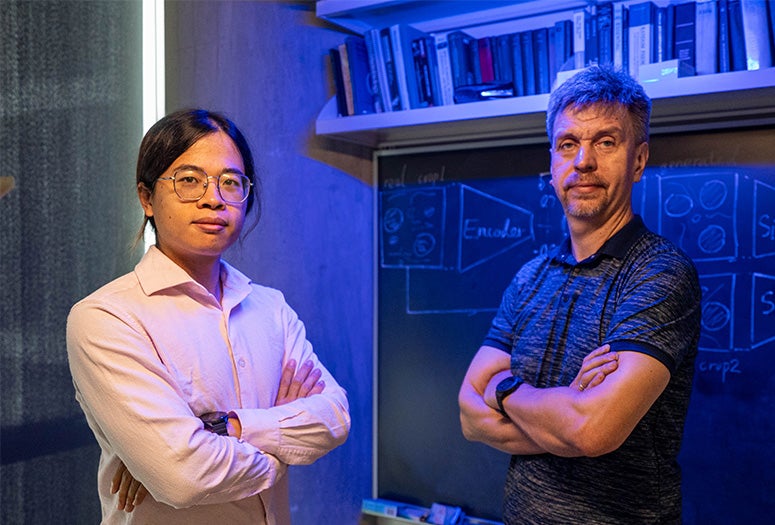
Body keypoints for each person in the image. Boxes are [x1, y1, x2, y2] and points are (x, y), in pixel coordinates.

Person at [66, 108, 350, 524]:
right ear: (147, 197)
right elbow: (184, 476)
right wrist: (283, 451)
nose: (213, 198)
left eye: (230, 182)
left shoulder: (270, 308)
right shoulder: (107, 318)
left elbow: (335, 416)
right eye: (189, 180)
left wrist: (224, 428)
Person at [458, 66, 702, 524]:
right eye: (568, 144)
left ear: (639, 158)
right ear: (552, 162)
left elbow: (591, 430)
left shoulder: (659, 273)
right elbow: (469, 416)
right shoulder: (530, 278)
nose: (583, 161)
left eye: (606, 142)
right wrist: (566, 406)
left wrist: (506, 389)